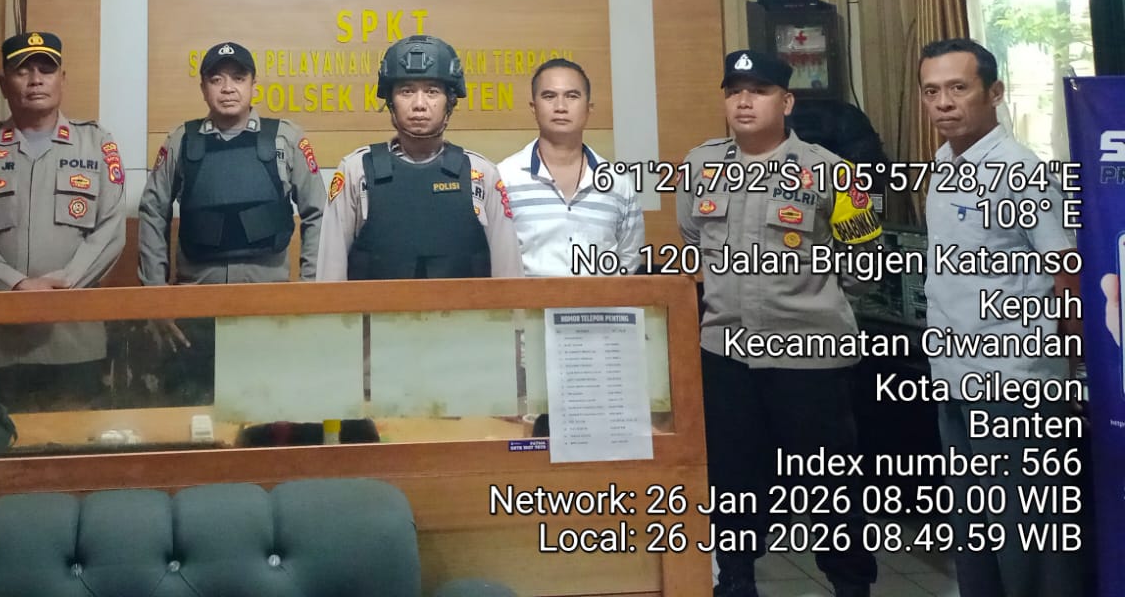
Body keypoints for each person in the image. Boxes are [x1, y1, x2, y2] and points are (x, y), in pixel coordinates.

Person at [679, 49, 880, 597]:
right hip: (727, 357)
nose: (744, 101)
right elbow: (694, 242)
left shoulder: (834, 172)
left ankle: (851, 585)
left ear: (786, 102)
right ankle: (736, 580)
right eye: (734, 91)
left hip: (810, 359)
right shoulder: (699, 166)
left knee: (831, 485)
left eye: (760, 90)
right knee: (733, 480)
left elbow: (865, 265)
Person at [918, 37, 1087, 597]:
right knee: (975, 534)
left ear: (994, 92)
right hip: (954, 376)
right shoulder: (942, 166)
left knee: (1026, 537)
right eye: (932, 92)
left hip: (1015, 384)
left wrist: (1070, 371)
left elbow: (1066, 272)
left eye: (958, 88)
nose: (944, 103)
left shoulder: (1021, 170)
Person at [0, 31, 125, 410]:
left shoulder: (96, 144)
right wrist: (15, 285)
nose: (36, 79)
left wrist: (62, 286)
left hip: (72, 337)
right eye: (22, 71)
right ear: (4, 84)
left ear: (62, 80)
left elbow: (110, 231)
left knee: (71, 441)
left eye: (46, 70)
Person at [318, 34, 522, 280]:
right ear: (390, 101)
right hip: (376, 307)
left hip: (464, 307)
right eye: (406, 91)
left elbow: (508, 278)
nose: (419, 104)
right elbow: (330, 279)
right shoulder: (356, 171)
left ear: (450, 101)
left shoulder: (480, 174)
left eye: (432, 92)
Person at [138, 40, 326, 285]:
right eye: (216, 80)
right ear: (203, 89)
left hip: (269, 296)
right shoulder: (181, 141)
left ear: (253, 86)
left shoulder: (286, 139)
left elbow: (318, 212)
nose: (228, 88)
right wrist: (154, 291)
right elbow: (152, 211)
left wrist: (311, 286)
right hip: (196, 295)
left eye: (238, 78)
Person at [496, 57, 643, 276]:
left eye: (572, 96)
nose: (560, 107)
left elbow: (629, 257)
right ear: (533, 107)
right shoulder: (505, 177)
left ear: (589, 108)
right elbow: (496, 257)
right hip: (526, 298)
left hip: (601, 299)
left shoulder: (618, 182)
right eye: (549, 96)